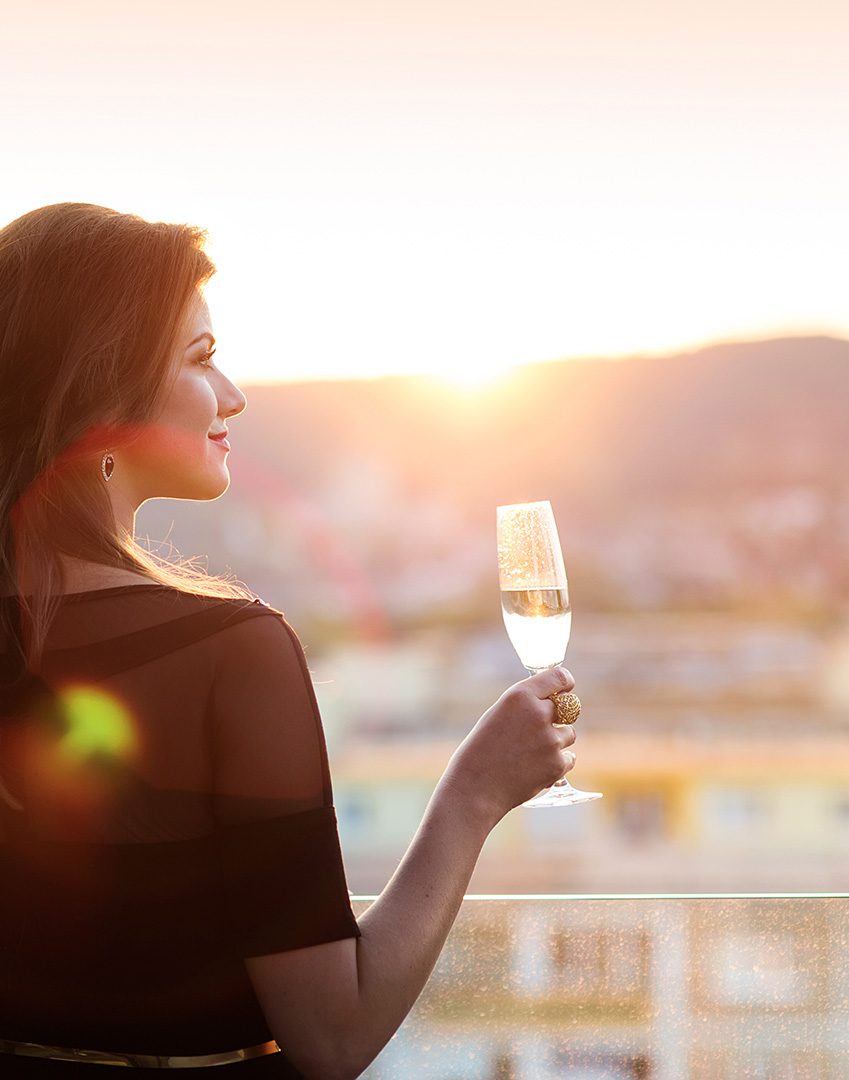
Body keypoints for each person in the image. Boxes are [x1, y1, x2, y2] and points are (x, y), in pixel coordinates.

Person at [0, 203, 579, 1080]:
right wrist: (474, 795)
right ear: (100, 393)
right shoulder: (231, 652)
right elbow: (332, 1035)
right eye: (200, 358)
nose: (232, 394)